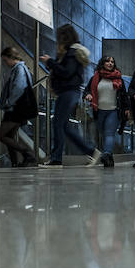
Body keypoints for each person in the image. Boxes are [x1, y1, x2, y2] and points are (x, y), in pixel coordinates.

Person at [39, 24, 101, 168]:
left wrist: (50, 62)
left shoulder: (72, 52)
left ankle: (56, 159)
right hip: (69, 92)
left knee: (58, 124)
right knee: (64, 127)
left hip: (68, 92)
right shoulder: (73, 52)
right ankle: (91, 152)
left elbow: (67, 72)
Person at [84, 55, 128, 168]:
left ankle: (106, 154)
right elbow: (87, 90)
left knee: (109, 134)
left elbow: (124, 96)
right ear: (103, 63)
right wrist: (88, 95)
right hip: (98, 111)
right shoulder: (96, 78)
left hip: (113, 111)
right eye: (107, 61)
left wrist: (127, 109)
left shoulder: (119, 79)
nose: (110, 63)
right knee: (102, 134)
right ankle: (109, 159)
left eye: (112, 62)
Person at [0, 46, 37, 167]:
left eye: (5, 60)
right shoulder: (20, 69)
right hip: (17, 109)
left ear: (11, 57)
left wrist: (9, 102)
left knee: (1, 135)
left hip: (15, 109)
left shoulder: (19, 69)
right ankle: (15, 162)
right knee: (9, 136)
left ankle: (28, 154)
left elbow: (19, 88)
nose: (5, 63)